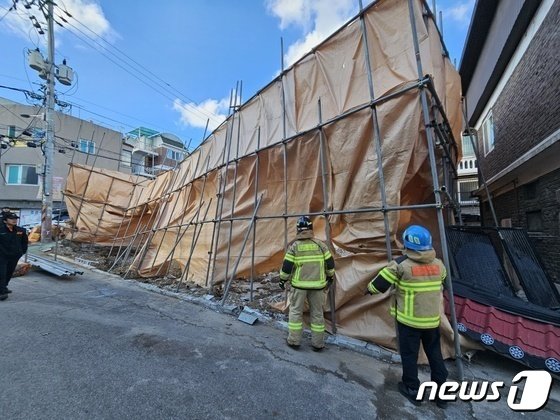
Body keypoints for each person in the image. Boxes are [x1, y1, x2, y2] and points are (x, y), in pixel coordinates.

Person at [366, 225, 448, 408]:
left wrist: (368, 290)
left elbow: (378, 285)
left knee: (410, 356)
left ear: (408, 244)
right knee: (435, 354)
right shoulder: (439, 265)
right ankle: (441, 394)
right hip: (432, 321)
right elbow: (444, 282)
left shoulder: (401, 265)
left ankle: (412, 389)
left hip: (409, 322)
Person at [279, 216, 335, 351]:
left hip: (299, 286)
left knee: (295, 312)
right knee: (317, 313)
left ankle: (294, 341)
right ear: (311, 228)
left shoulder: (294, 246)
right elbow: (330, 263)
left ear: (298, 230)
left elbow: (286, 266)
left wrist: (282, 279)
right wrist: (330, 277)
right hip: (318, 286)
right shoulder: (320, 245)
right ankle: (318, 344)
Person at [0, 211, 28, 300]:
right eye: (11, 219)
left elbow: (24, 243)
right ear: (5, 221)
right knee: (2, 274)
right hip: (2, 256)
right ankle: (1, 292)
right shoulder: (1, 230)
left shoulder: (21, 230)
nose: (14, 220)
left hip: (14, 256)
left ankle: (4, 286)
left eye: (15, 219)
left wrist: (21, 252)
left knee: (9, 273)